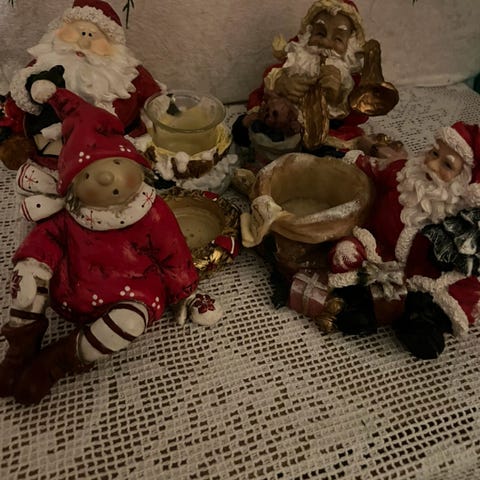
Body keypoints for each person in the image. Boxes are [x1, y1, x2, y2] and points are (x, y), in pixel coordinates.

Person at [0, 82, 222, 405]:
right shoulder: (72, 214)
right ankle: (21, 349)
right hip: (72, 287)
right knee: (26, 281)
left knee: (129, 322)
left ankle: (58, 360)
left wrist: (184, 293)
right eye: (88, 173)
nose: (107, 178)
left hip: (129, 293)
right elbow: (45, 241)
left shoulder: (149, 211)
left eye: (116, 163)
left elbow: (173, 254)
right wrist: (34, 265)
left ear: (134, 165)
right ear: (72, 185)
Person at [327, 121, 480, 359]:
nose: (432, 165)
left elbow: (462, 269)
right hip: (377, 248)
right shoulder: (404, 173)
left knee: (422, 302)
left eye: (447, 165)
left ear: (463, 181)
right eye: (434, 153)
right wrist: (346, 159)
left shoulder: (457, 222)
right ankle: (357, 301)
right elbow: (375, 168)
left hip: (417, 278)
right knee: (345, 253)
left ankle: (411, 323)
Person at [0, 0, 166, 196]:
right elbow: (18, 98)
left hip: (110, 162)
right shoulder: (42, 64)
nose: (84, 43)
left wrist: (163, 111)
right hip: (49, 157)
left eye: (92, 35)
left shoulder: (128, 72)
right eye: (79, 32)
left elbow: (154, 97)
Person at [232, 0, 396, 159]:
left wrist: (339, 95)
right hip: (280, 122)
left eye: (338, 38)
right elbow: (262, 90)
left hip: (323, 134)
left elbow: (359, 117)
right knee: (247, 131)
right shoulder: (295, 62)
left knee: (332, 152)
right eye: (320, 33)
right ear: (308, 33)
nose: (326, 42)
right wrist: (280, 83)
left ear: (350, 44)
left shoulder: (349, 79)